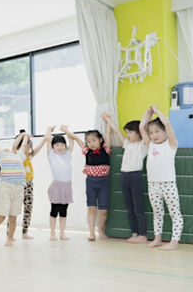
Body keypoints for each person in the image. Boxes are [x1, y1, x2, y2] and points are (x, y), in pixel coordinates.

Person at [140, 106, 183, 251]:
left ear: (165, 131)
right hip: (153, 185)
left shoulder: (171, 144)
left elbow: (168, 123)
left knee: (174, 213)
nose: (154, 135)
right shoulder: (150, 145)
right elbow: (141, 127)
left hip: (168, 184)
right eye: (151, 133)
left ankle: (174, 241)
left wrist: (158, 111)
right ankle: (157, 238)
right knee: (157, 213)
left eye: (157, 131)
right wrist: (147, 113)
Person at [103, 114, 148, 244]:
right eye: (127, 132)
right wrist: (108, 120)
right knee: (130, 208)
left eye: (130, 132)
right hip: (124, 175)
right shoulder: (127, 143)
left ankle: (143, 235)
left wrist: (146, 117)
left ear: (139, 133)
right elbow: (117, 131)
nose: (128, 135)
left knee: (138, 207)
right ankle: (134, 233)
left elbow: (143, 131)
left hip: (135, 176)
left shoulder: (143, 145)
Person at [66, 124, 112, 241]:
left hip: (104, 182)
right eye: (88, 141)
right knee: (91, 207)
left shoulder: (106, 149)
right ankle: (91, 233)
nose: (91, 143)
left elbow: (108, 134)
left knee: (103, 210)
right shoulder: (87, 151)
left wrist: (108, 122)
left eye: (93, 140)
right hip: (91, 182)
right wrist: (66, 130)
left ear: (100, 140)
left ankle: (101, 229)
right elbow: (76, 139)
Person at [0, 124, 29, 248]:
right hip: (6, 188)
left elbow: (20, 145)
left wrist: (24, 135)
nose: (7, 149)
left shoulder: (18, 156)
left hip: (19, 188)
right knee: (1, 216)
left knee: (13, 217)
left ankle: (10, 239)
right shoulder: (1, 156)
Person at [15, 128, 48, 239]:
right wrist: (25, 136)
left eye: (29, 147)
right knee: (14, 210)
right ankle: (9, 233)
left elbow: (38, 148)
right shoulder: (17, 156)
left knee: (28, 208)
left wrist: (46, 136)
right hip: (18, 185)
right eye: (27, 147)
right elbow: (21, 146)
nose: (28, 149)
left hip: (29, 185)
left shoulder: (28, 157)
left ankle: (25, 232)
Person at [46, 126, 74, 241]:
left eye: (62, 144)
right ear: (53, 147)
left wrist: (66, 130)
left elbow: (72, 141)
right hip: (57, 187)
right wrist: (49, 130)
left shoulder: (67, 155)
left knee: (63, 212)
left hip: (67, 187)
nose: (60, 147)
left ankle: (62, 233)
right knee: (54, 211)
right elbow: (48, 140)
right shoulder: (51, 155)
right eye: (57, 145)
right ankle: (52, 233)